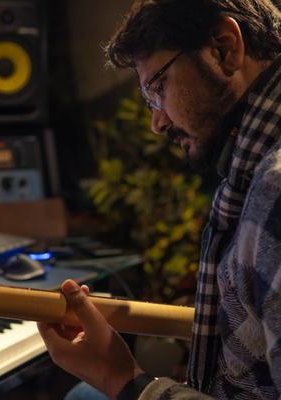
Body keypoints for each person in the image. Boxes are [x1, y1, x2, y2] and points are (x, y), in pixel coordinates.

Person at [37, 0, 281, 398]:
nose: (157, 122)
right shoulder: (254, 169)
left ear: (224, 48)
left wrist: (123, 378)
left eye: (158, 88)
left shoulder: (275, 189)